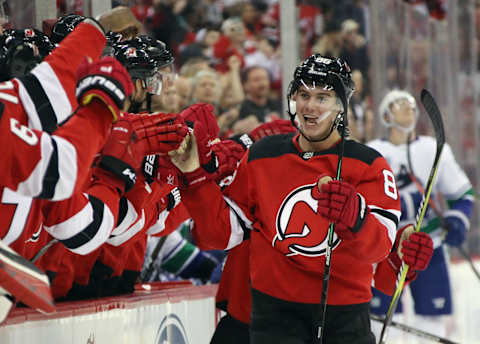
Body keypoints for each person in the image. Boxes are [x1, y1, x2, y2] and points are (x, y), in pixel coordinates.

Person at [170, 54, 403, 344]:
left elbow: (380, 247)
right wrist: (194, 175)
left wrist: (354, 216)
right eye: (304, 94)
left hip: (343, 318)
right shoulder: (262, 155)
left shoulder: (369, 164)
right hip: (274, 316)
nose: (310, 105)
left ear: (341, 106)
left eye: (323, 97)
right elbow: (220, 234)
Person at [367, 89, 475, 338]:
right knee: (379, 320)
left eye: (411, 104)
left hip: (428, 245)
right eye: (398, 104)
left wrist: (457, 220)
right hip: (385, 250)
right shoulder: (372, 152)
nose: (408, 107)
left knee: (432, 320)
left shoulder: (434, 149)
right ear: (385, 115)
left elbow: (462, 194)